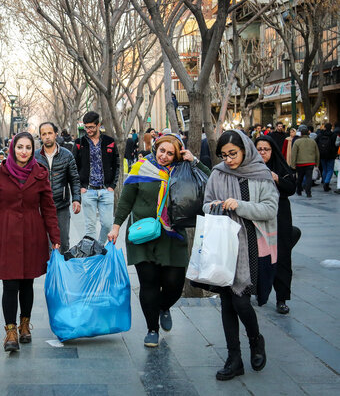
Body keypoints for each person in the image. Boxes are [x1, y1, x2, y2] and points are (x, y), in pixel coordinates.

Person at [107, 134, 210, 347]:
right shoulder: (141, 167)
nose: (164, 156)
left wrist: (195, 162)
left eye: (170, 153)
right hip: (142, 234)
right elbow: (126, 198)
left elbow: (209, 182)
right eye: (161, 150)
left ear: (177, 155)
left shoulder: (184, 171)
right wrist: (116, 225)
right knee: (149, 282)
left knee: (175, 283)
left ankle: (164, 307)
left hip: (172, 234)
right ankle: (152, 329)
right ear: (155, 148)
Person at [0, 132, 60, 352]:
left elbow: (49, 208)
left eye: (28, 148)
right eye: (19, 147)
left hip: (32, 234)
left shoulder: (40, 174)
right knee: (10, 284)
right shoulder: (1, 174)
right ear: (12, 149)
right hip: (5, 235)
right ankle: (10, 331)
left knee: (27, 283)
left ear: (33, 150)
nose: (23, 151)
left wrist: (55, 238)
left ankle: (24, 325)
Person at [203, 130, 278, 381]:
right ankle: (233, 358)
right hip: (224, 245)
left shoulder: (261, 174)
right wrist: (215, 206)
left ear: (245, 149)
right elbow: (206, 203)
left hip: (252, 245)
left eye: (233, 154)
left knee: (241, 301)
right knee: (226, 301)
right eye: (224, 155)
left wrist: (240, 205)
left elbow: (270, 209)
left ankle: (256, 341)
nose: (229, 160)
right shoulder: (217, 173)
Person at [255, 136, 296, 314]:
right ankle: (257, 292)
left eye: (266, 149)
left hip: (280, 218)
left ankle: (282, 298)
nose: (262, 152)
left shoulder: (280, 168)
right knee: (256, 256)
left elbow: (291, 188)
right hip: (257, 218)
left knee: (282, 257)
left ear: (273, 151)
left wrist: (277, 178)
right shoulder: (249, 168)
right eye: (259, 149)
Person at [74, 111, 119, 245]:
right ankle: (93, 255)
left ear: (98, 125)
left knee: (107, 224)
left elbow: (116, 165)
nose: (88, 130)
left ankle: (98, 247)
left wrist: (112, 186)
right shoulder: (79, 143)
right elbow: (74, 168)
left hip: (106, 190)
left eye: (91, 127)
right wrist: (81, 187)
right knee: (90, 228)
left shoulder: (109, 142)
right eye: (86, 127)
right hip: (88, 191)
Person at [35, 122, 81, 253]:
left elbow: (74, 179)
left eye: (50, 133)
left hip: (62, 206)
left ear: (56, 134)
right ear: (40, 136)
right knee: (46, 245)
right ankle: (52, 272)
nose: (47, 136)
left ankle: (62, 271)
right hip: (41, 207)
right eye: (44, 134)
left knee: (63, 243)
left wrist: (76, 199)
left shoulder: (67, 155)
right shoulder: (35, 157)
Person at [291, 124, 320, 197]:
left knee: (300, 177)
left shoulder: (297, 142)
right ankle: (308, 192)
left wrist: (293, 164)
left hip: (300, 163)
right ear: (308, 133)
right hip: (310, 163)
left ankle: (299, 190)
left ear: (300, 133)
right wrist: (317, 163)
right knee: (309, 178)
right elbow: (317, 153)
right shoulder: (313, 141)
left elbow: (294, 154)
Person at [315, 123, 337, 192]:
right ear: (331, 128)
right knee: (330, 169)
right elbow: (336, 145)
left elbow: (315, 142)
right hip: (331, 155)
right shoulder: (334, 135)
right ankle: (327, 183)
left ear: (324, 127)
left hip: (322, 154)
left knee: (324, 169)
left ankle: (324, 181)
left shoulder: (320, 134)